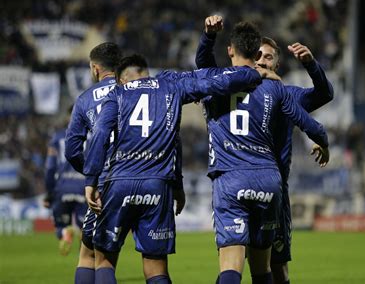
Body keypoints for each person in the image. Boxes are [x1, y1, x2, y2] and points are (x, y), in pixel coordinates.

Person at [83, 54, 278, 284]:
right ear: (145, 72)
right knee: (156, 268)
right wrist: (255, 73)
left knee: (104, 259)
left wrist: (91, 180)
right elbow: (214, 81)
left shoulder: (117, 94)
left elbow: (100, 135)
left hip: (120, 181)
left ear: (122, 79)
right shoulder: (170, 85)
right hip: (158, 186)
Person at [196, 15, 334, 284]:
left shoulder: (282, 91)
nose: (260, 61)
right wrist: (322, 139)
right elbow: (314, 126)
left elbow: (324, 94)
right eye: (257, 55)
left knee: (271, 267)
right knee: (253, 265)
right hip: (266, 182)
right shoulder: (269, 90)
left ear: (277, 64)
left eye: (268, 58)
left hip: (267, 186)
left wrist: (310, 65)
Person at [65, 42, 122, 284]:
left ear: (95, 68)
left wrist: (91, 172)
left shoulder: (85, 99)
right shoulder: (133, 90)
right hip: (140, 176)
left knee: (91, 256)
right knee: (153, 260)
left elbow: (72, 149)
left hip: (105, 182)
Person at [43, 110, 88, 256]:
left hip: (62, 187)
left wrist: (49, 192)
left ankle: (64, 232)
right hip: (84, 187)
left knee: (60, 225)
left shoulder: (57, 137)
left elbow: (50, 168)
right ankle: (84, 264)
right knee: (86, 229)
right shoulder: (92, 134)